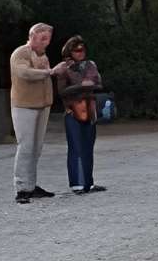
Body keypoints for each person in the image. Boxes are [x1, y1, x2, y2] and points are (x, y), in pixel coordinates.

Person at [9, 22, 56, 205]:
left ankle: (31, 185)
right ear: (32, 36)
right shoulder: (21, 53)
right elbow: (24, 73)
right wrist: (49, 72)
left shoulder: (42, 55)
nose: (46, 42)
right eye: (43, 38)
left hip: (42, 105)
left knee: (36, 148)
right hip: (24, 105)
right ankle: (21, 188)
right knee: (26, 146)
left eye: (48, 39)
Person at [51, 37, 106, 195]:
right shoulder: (64, 68)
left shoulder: (91, 65)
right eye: (77, 50)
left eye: (82, 49)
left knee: (88, 146)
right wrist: (80, 86)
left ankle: (88, 182)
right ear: (70, 52)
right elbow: (61, 91)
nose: (80, 53)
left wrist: (91, 85)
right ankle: (76, 183)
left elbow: (99, 83)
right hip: (72, 110)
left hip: (89, 108)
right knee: (76, 147)